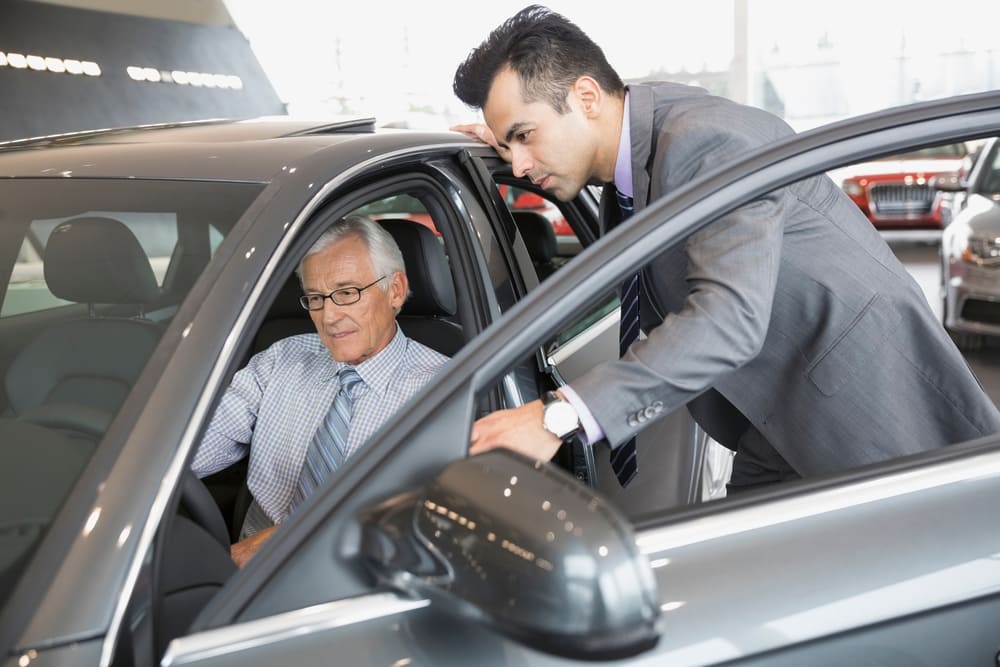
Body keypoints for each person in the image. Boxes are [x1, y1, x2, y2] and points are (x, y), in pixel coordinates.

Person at [453, 5, 1000, 491]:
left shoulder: (704, 142)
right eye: (509, 144)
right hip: (776, 419)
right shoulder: (638, 140)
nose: (519, 164)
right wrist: (503, 145)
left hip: (869, 413)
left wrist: (560, 415)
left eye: (525, 135)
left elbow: (729, 318)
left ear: (587, 96)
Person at [192, 215, 449, 566]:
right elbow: (191, 448)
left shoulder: (444, 387)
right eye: (315, 297)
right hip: (245, 586)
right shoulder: (282, 359)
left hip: (364, 582)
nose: (328, 316)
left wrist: (276, 544)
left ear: (395, 290)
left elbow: (424, 516)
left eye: (347, 293)